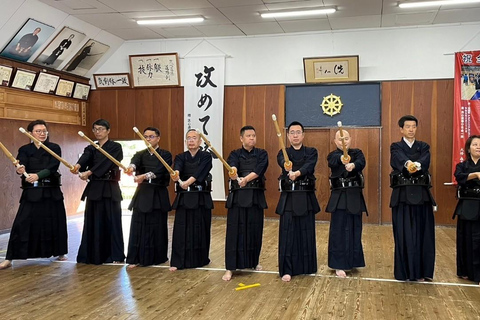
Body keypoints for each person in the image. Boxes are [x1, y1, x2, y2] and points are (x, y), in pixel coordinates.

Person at [0, 120, 67, 270]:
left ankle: (60, 251)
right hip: (32, 192)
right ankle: (10, 257)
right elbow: (21, 164)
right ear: (30, 133)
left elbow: (53, 166)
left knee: (55, 221)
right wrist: (20, 169)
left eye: (44, 131)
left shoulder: (54, 147)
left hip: (51, 190)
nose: (42, 133)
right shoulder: (24, 149)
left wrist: (38, 175)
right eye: (38, 131)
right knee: (21, 222)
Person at [390, 115, 436, 281]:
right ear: (401, 129)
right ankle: (404, 272)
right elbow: (398, 159)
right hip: (402, 196)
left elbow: (425, 160)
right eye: (407, 126)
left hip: (421, 196)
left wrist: (415, 166)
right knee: (403, 234)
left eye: (413, 126)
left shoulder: (423, 146)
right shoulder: (396, 146)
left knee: (424, 233)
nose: (411, 129)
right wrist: (408, 164)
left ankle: (423, 272)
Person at [73, 119, 125, 265]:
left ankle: (115, 255)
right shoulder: (91, 147)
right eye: (95, 129)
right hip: (95, 188)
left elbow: (107, 163)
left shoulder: (116, 147)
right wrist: (77, 166)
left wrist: (89, 172)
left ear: (108, 131)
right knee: (93, 221)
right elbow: (85, 158)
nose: (98, 132)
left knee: (112, 221)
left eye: (101, 129)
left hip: (110, 187)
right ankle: (92, 255)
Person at [223, 125, 268, 281]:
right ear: (241, 138)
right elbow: (232, 165)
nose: (252, 138)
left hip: (255, 195)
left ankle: (253, 262)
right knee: (234, 231)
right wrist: (235, 173)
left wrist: (246, 179)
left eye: (253, 136)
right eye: (248, 136)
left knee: (255, 229)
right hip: (238, 197)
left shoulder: (262, 153)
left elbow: (260, 169)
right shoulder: (234, 154)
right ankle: (230, 268)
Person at [276, 121, 320, 282]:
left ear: (303, 135)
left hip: (306, 196)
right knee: (288, 234)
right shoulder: (283, 152)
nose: (295, 135)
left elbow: (310, 165)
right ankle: (287, 269)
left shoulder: (311, 151)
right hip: (289, 198)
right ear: (287, 136)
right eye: (292, 132)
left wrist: (298, 172)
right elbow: (283, 162)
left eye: (298, 132)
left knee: (306, 231)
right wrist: (287, 167)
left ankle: (307, 267)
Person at [125, 127, 172, 269]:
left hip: (158, 193)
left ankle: (157, 257)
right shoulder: (139, 154)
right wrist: (130, 169)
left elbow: (160, 170)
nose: (148, 139)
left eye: (151, 136)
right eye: (145, 137)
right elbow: (134, 163)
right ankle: (135, 257)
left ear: (158, 138)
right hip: (143, 193)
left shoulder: (166, 154)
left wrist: (144, 176)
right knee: (138, 225)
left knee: (157, 225)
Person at [170, 129, 213, 271]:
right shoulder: (181, 156)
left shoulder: (206, 156)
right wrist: (175, 174)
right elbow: (177, 168)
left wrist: (188, 182)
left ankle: (200, 259)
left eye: (194, 138)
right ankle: (178, 261)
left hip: (200, 197)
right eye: (188, 138)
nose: (191, 140)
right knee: (181, 229)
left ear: (200, 141)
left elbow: (200, 172)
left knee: (200, 228)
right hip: (184, 197)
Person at [326, 129, 367, 278]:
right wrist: (344, 160)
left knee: (355, 229)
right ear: (335, 141)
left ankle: (353, 260)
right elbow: (335, 160)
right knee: (339, 230)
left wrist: (353, 165)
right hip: (340, 197)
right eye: (340, 139)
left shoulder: (357, 153)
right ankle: (338, 264)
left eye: (346, 138)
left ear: (350, 139)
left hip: (355, 196)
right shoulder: (333, 155)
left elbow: (361, 162)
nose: (344, 141)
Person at [453, 135, 480, 285]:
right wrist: (475, 175)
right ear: (468, 149)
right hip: (467, 206)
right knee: (466, 238)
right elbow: (460, 177)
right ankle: (465, 271)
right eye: (475, 144)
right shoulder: (462, 166)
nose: (478, 147)